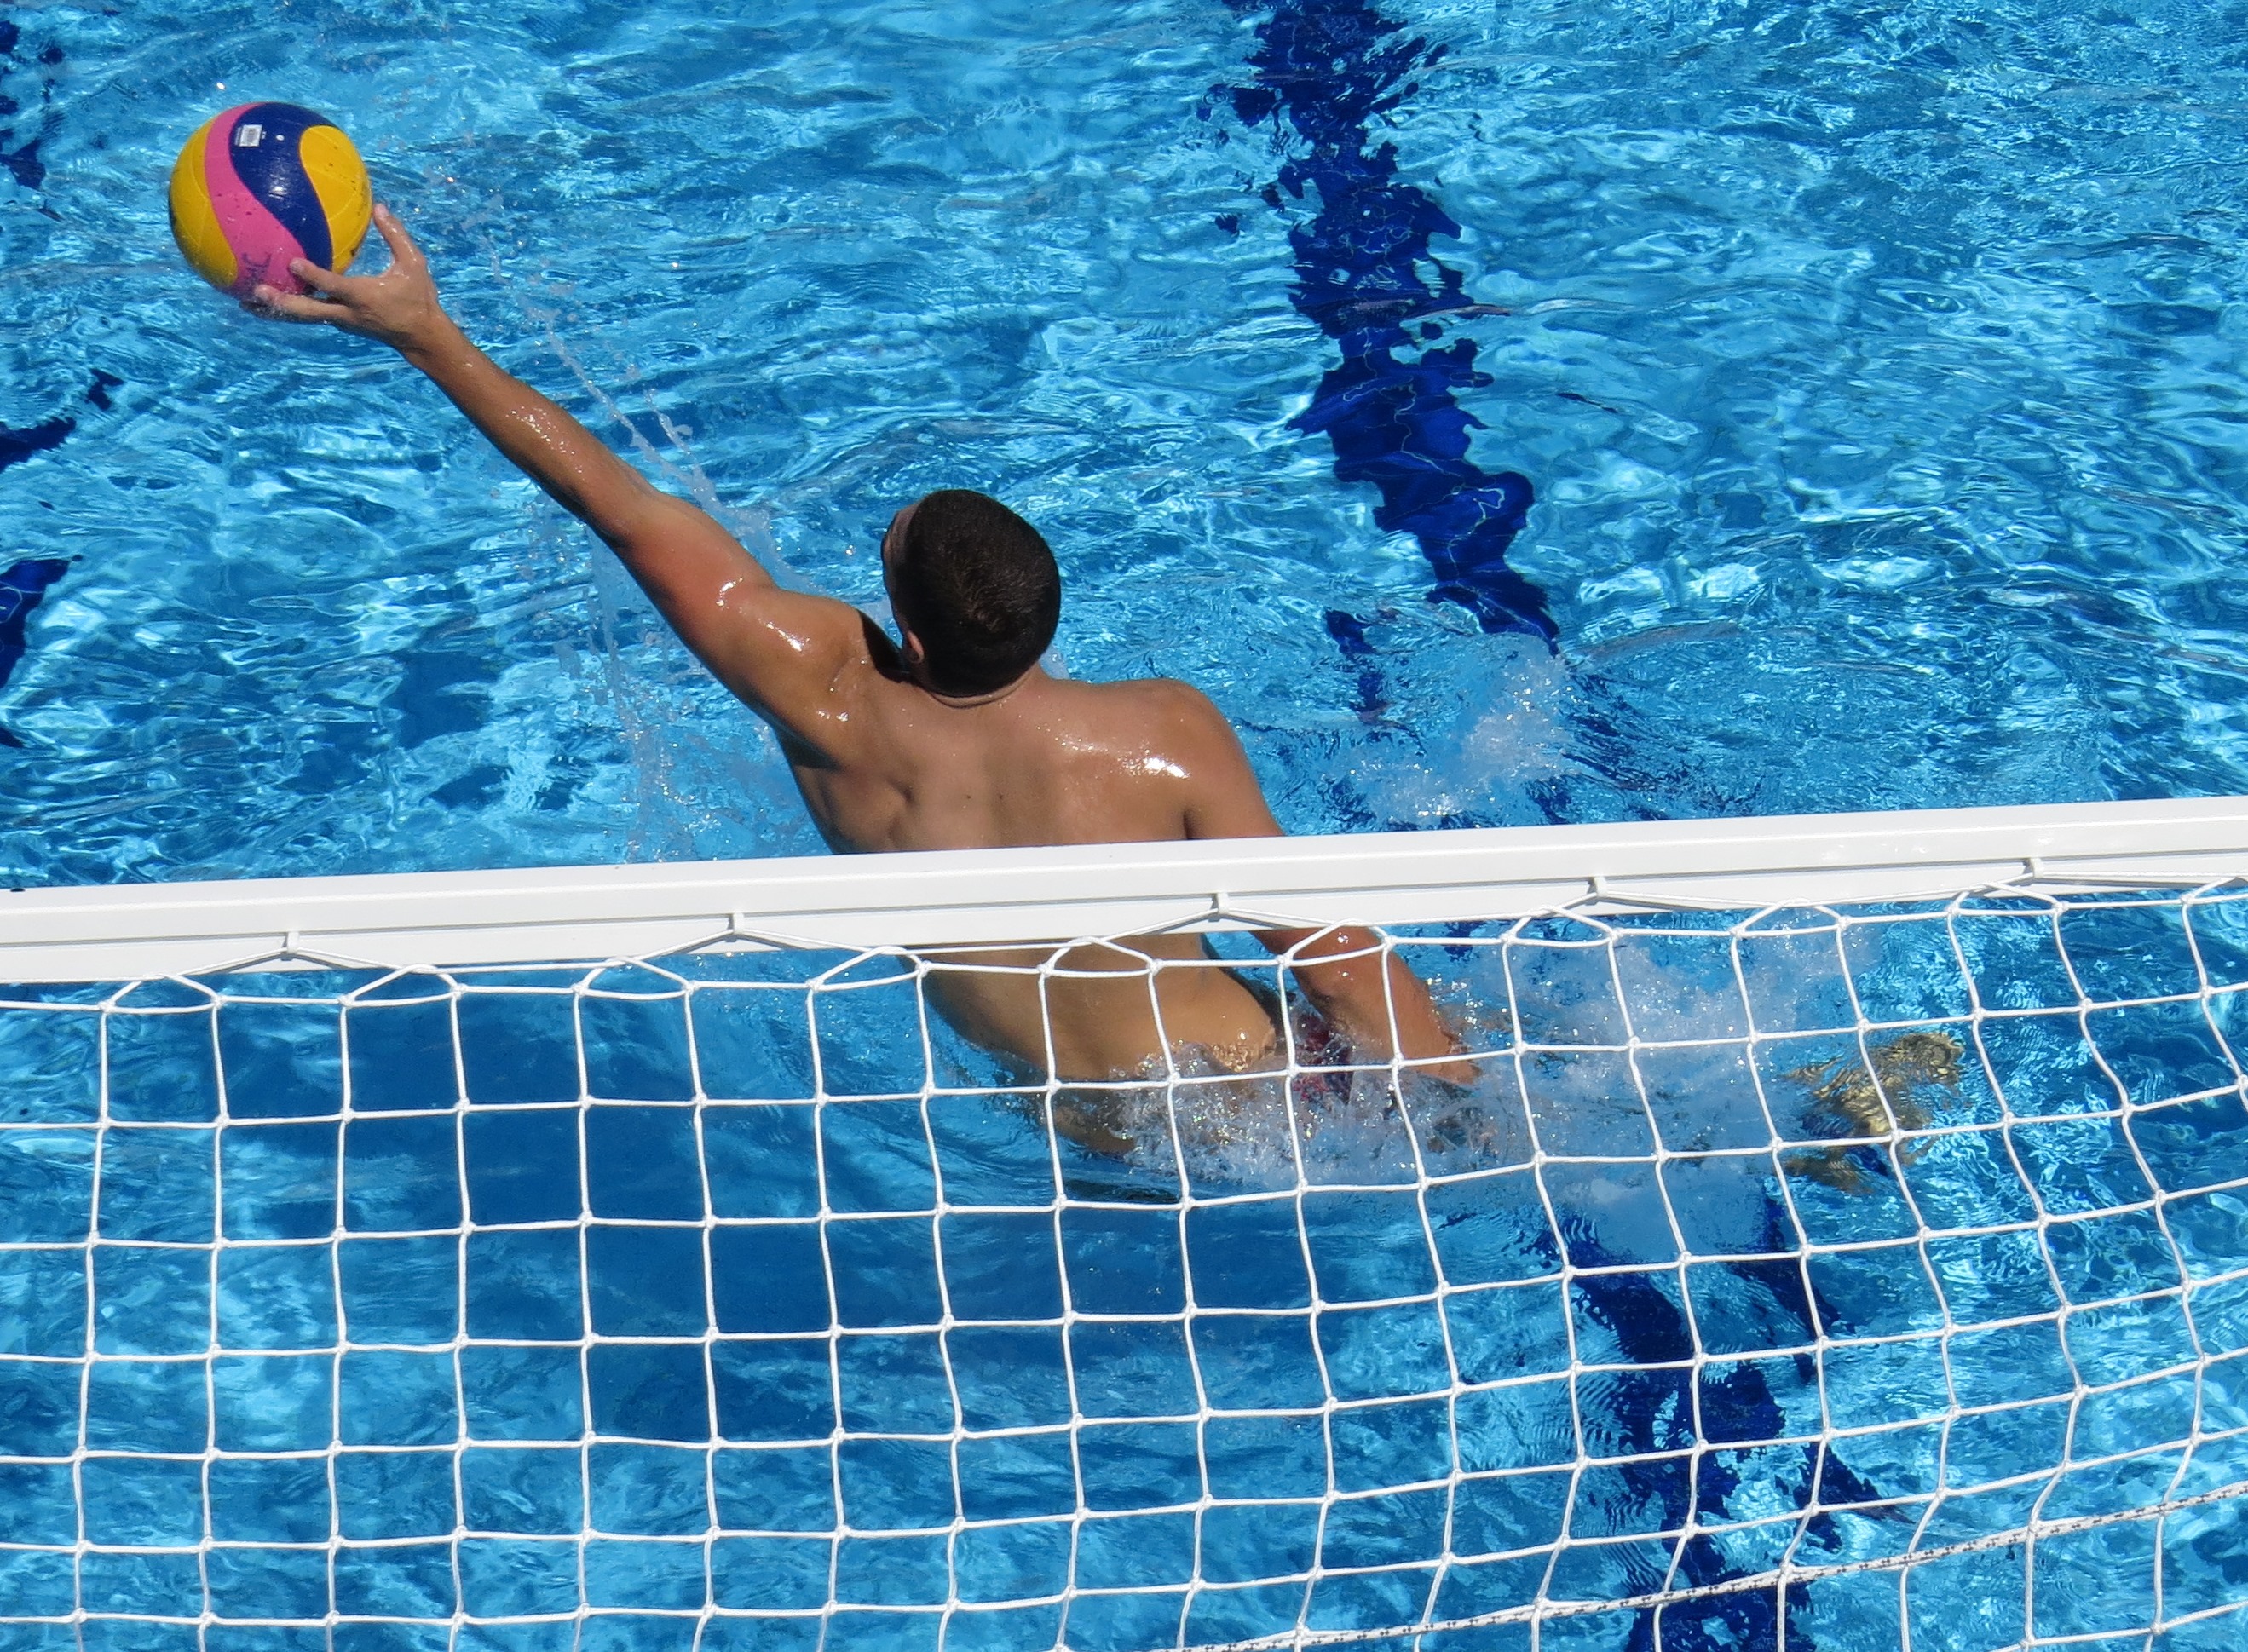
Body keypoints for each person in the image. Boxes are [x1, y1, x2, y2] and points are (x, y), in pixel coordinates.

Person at [254, 206, 1469, 1115]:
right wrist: (1464, 1103)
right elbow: (1333, 961)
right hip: (1254, 1095)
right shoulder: (1164, 733)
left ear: (914, 637)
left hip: (1090, 1129)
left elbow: (620, 510)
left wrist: (428, 338)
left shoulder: (832, 705)